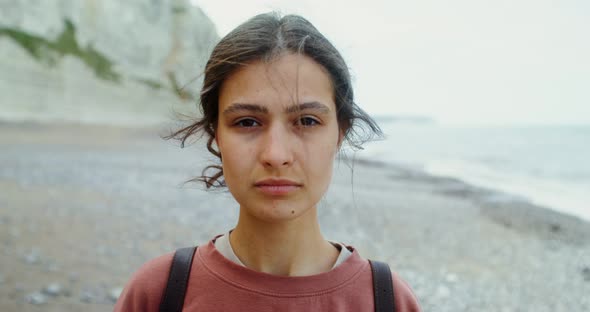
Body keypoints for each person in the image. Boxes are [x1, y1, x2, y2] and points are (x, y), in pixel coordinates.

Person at [114, 12, 421, 311]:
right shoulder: (158, 293)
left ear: (339, 133)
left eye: (307, 120)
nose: (275, 155)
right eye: (247, 122)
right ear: (216, 134)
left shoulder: (388, 300)